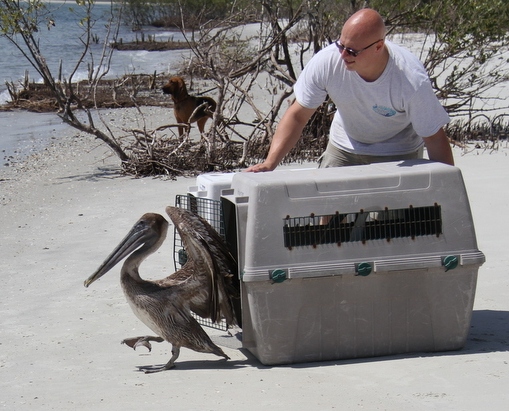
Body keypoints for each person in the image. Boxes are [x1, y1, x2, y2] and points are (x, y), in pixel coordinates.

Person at [246, 8, 454, 172]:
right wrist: (270, 162)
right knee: (328, 213)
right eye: (341, 45)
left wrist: (449, 191)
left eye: (352, 51)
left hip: (398, 148)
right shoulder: (327, 62)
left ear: (378, 47)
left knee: (391, 224)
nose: (343, 55)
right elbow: (298, 116)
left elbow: (435, 138)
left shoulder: (411, 80)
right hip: (344, 144)